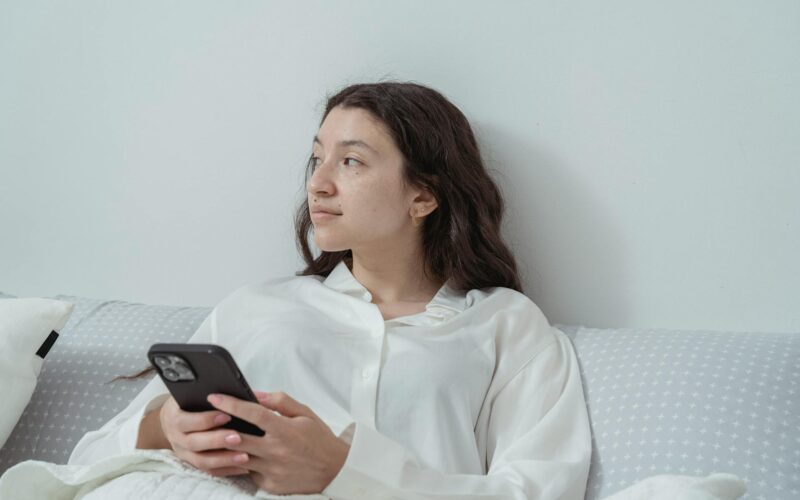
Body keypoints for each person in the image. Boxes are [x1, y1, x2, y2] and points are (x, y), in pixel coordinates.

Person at [68, 81, 592, 499]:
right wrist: (165, 427)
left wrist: (346, 472)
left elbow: (538, 488)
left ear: (424, 196)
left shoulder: (504, 324)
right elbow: (85, 461)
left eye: (352, 161)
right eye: (316, 159)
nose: (318, 183)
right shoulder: (256, 308)